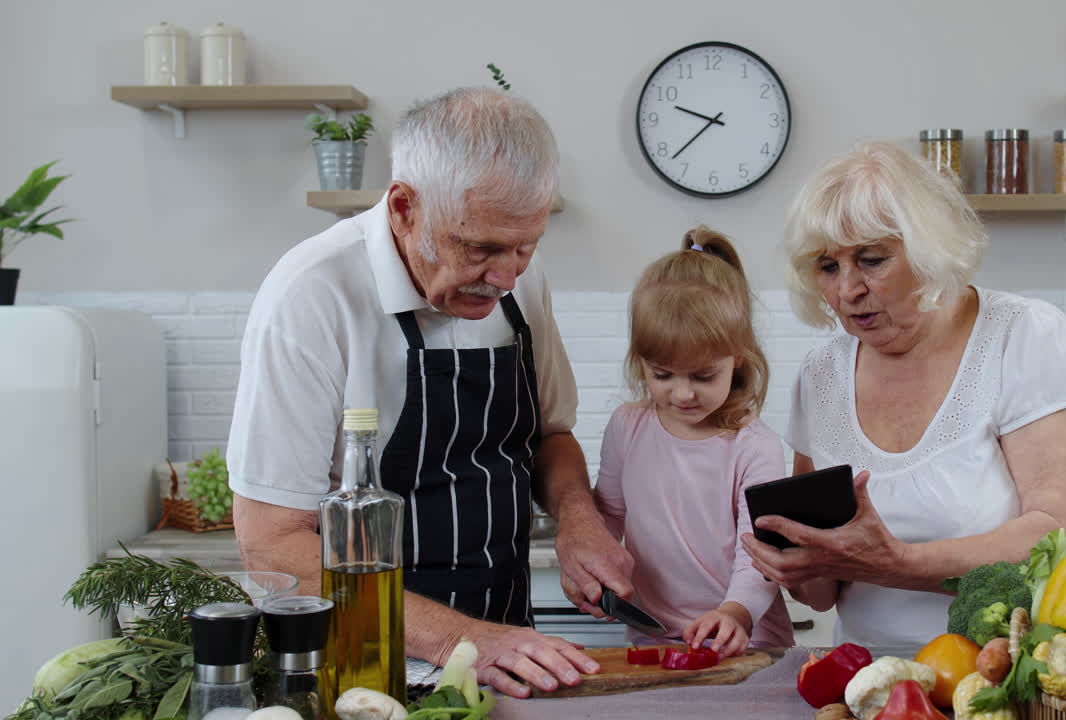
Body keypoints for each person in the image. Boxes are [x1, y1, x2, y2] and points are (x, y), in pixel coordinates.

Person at [226, 87, 633, 697]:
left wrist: (577, 515)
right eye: (480, 249)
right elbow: (271, 542)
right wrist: (455, 641)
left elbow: (549, 434)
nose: (505, 276)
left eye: (526, 247)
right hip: (360, 667)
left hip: (505, 646)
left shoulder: (518, 279)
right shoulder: (312, 295)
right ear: (404, 208)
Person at [741, 141, 1066, 649]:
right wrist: (799, 562)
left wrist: (899, 564)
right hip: (862, 684)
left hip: (1002, 678)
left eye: (871, 260)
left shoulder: (1024, 334)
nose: (848, 290)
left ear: (930, 250)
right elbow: (822, 596)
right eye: (827, 267)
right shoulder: (821, 372)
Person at [590, 226, 794, 657]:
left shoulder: (754, 447)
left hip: (747, 640)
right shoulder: (627, 427)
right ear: (639, 361)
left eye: (703, 376)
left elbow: (761, 554)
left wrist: (736, 612)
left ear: (738, 355)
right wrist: (596, 570)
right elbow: (608, 514)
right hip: (654, 638)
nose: (682, 394)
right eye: (662, 374)